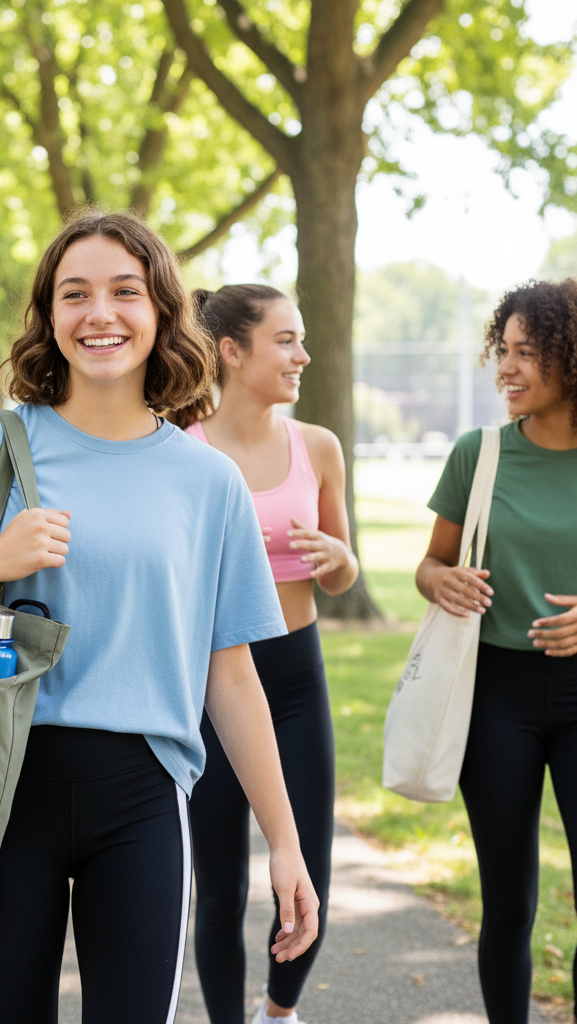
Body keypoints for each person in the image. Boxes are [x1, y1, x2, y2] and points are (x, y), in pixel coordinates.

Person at [0, 212, 319, 1024]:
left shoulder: (209, 482)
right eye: (75, 294)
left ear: (162, 310)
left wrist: (287, 843)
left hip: (143, 800)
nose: (101, 314)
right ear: (48, 316)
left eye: (125, 292)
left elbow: (229, 675)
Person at [174, 284, 357, 1024]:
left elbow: (345, 577)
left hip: (297, 678)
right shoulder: (181, 447)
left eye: (302, 339)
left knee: (308, 872)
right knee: (220, 886)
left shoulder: (318, 446)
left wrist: (335, 556)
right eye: (285, 340)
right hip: (214, 686)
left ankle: (280, 1013)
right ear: (231, 350)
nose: (302, 355)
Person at [416, 279, 577, 1024]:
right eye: (502, 352)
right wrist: (441, 582)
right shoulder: (478, 455)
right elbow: (430, 564)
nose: (506, 369)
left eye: (528, 353)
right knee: (508, 902)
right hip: (496, 699)